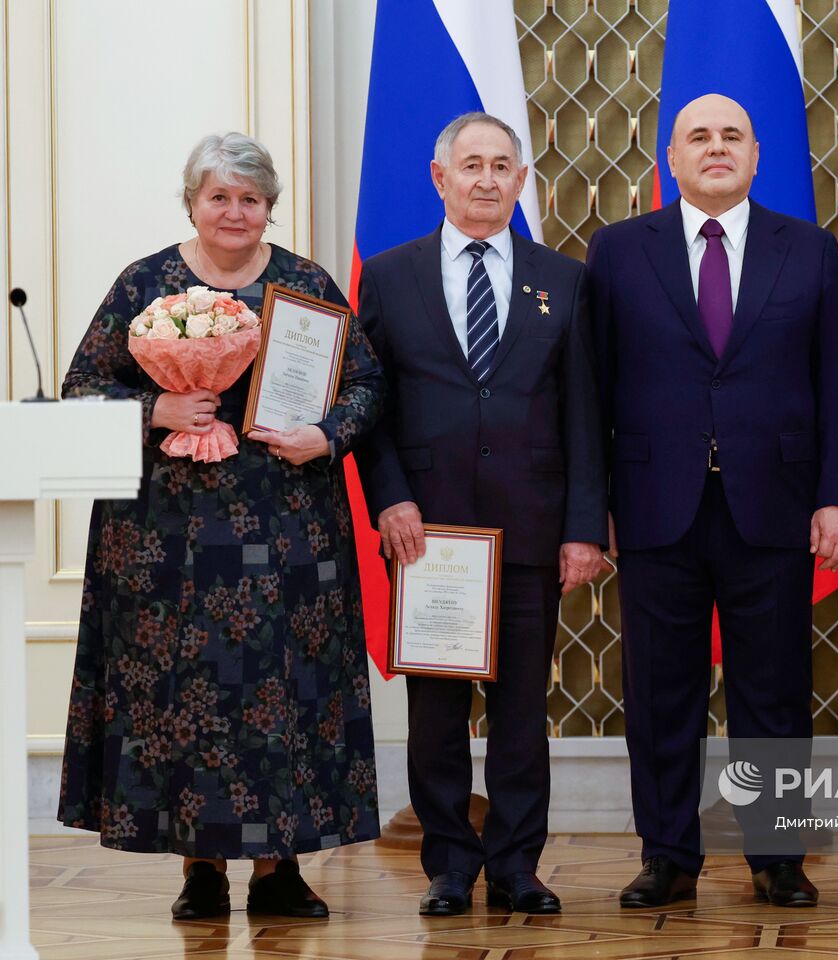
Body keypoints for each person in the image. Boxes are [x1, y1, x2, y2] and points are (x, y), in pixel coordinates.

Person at [58, 132, 385, 920]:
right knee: (185, 697)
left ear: (269, 207)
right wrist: (155, 407)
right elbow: (79, 388)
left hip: (290, 531)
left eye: (251, 199)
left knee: (284, 693)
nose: (235, 212)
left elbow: (367, 383)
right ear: (193, 203)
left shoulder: (305, 284)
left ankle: (280, 870)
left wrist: (326, 434)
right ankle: (199, 868)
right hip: (165, 538)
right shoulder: (145, 281)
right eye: (219, 197)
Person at [587, 93, 838, 909]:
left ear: (757, 155)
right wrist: (592, 506)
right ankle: (668, 854)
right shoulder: (618, 250)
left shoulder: (810, 250)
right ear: (670, 160)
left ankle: (777, 856)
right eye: (698, 137)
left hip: (775, 505)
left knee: (773, 692)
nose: (716, 148)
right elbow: (592, 388)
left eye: (732, 136)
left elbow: (836, 385)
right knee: (660, 693)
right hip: (652, 505)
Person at [356, 112, 608, 917]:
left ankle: (516, 864)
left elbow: (583, 413)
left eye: (504, 165)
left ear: (521, 181)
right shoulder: (390, 277)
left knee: (521, 713)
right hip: (429, 535)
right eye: (473, 165)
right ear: (441, 178)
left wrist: (582, 527)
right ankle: (448, 866)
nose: (488, 179)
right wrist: (391, 495)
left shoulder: (562, 278)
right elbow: (370, 407)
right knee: (436, 713)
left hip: (532, 529)